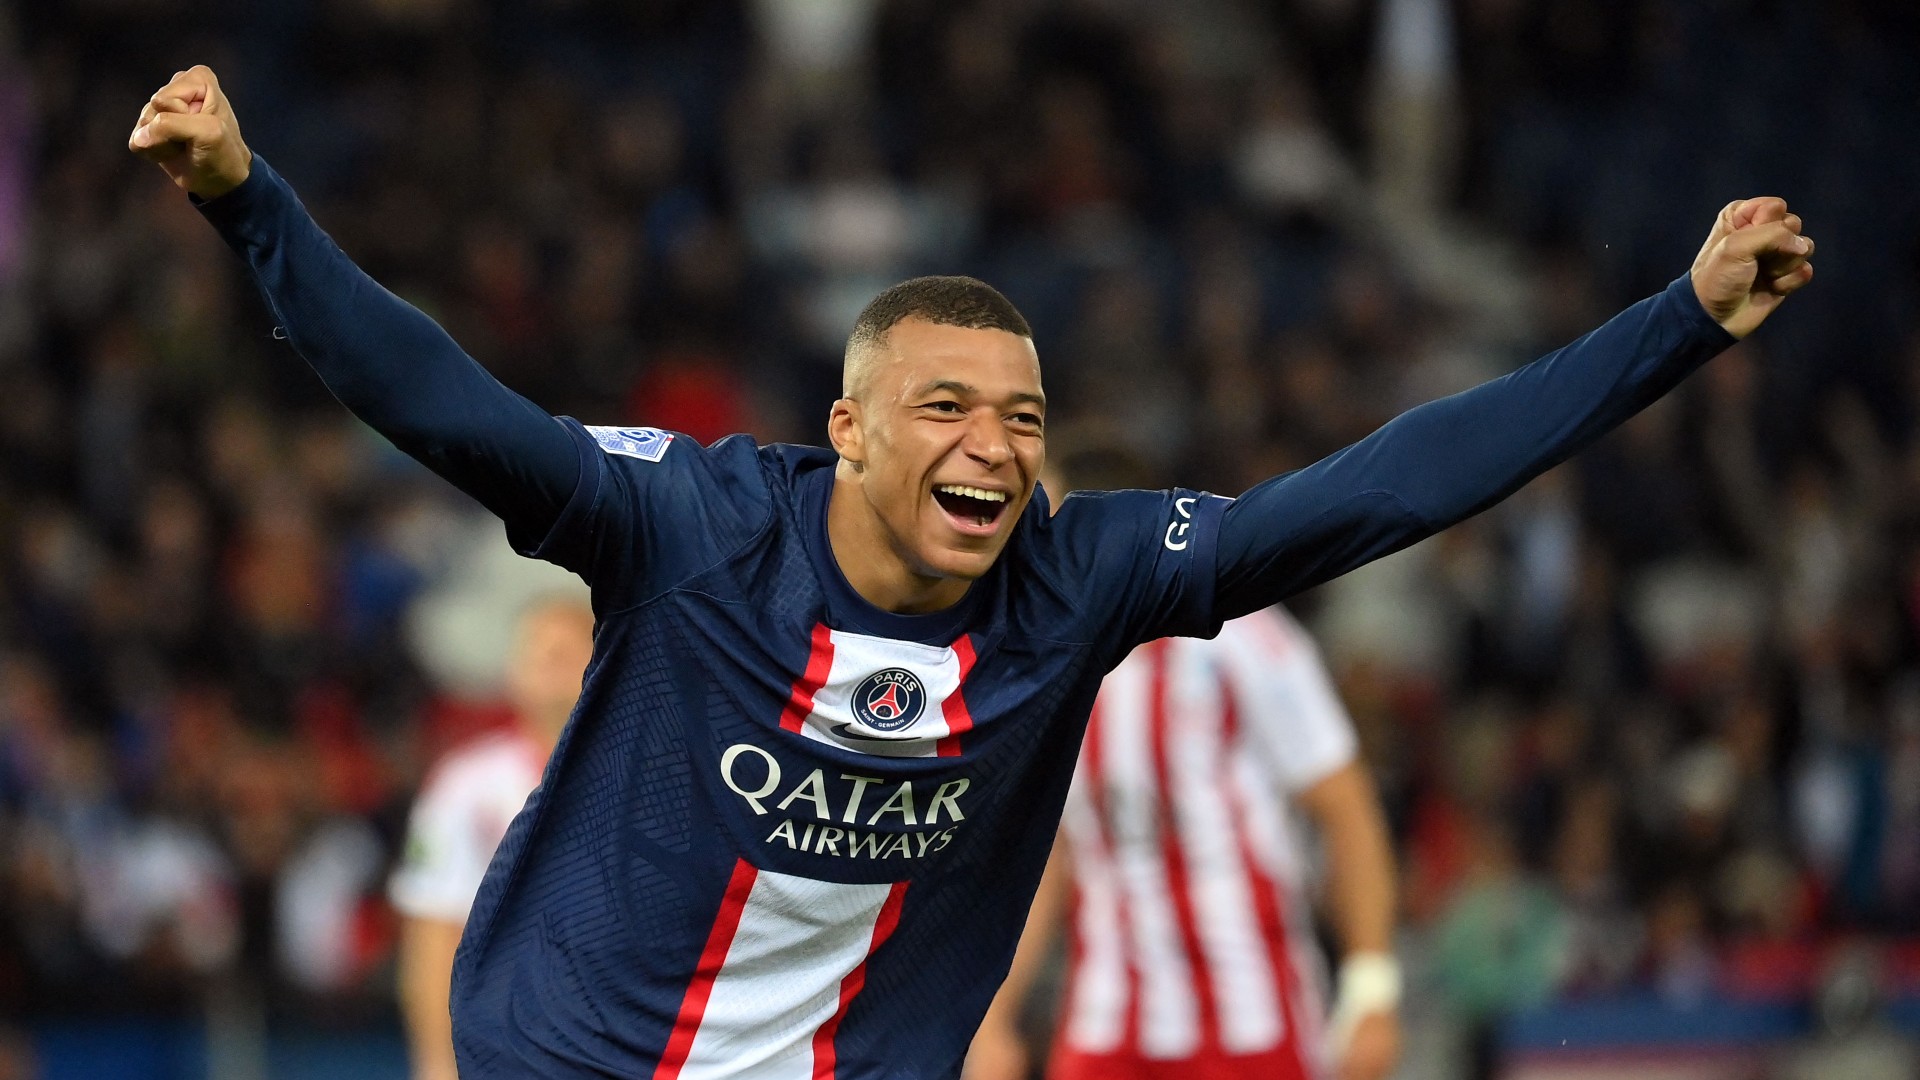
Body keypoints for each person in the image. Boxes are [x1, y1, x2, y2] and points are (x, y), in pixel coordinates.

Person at [129, 65, 1813, 1080]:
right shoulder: (696, 525)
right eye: (946, 408)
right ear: (849, 427)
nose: (995, 448)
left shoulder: (1081, 582)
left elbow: (1385, 485)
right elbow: (442, 402)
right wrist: (247, 200)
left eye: (1023, 418)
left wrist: (1678, 323)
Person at [965, 451, 1398, 1080]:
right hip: (1108, 1022)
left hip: (1249, 1016)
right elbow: (1053, 852)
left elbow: (1345, 806)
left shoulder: (1242, 635)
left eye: (1047, 523)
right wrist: (995, 1016)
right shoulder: (1036, 659)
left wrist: (1371, 987)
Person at [389, 596, 595, 1080]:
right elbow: (434, 930)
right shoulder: (464, 785)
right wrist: (438, 1064)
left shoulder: (653, 779)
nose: (547, 665)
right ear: (512, 671)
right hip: (506, 1048)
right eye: (535, 652)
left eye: (565, 653)